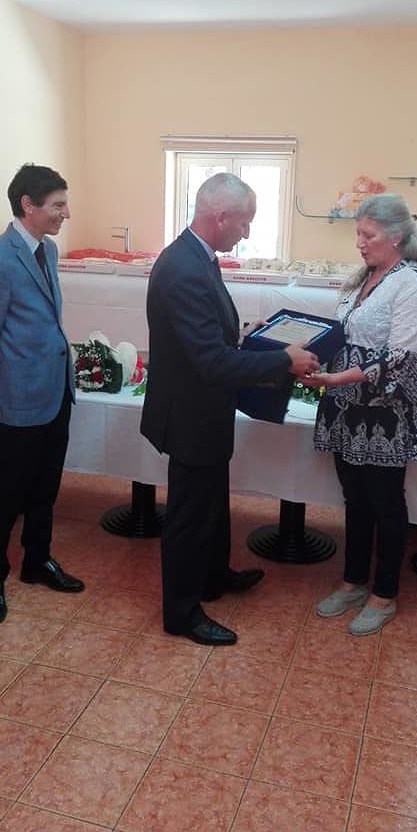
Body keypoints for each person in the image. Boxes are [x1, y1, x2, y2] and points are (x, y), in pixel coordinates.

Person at [141, 172, 318, 646]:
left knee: (212, 504)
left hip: (205, 408)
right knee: (189, 515)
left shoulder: (199, 257)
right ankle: (181, 612)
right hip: (189, 413)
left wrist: (248, 337)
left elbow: (206, 336)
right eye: (244, 223)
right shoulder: (182, 267)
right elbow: (209, 360)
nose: (246, 232)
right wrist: (283, 359)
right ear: (220, 217)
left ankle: (213, 576)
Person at [311, 193, 417, 635]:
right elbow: (343, 333)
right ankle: (353, 582)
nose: (359, 243)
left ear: (397, 236)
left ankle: (384, 594)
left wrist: (337, 378)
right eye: (358, 234)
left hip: (386, 413)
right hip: (349, 407)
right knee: (354, 498)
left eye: (368, 235)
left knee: (386, 502)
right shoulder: (364, 277)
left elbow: (401, 356)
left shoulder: (415, 284)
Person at [0, 164, 85, 625]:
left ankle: (37, 560)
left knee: (46, 485)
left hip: (55, 389)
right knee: (9, 491)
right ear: (27, 205)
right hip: (17, 396)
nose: (65, 213)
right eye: (58, 205)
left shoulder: (47, 249)